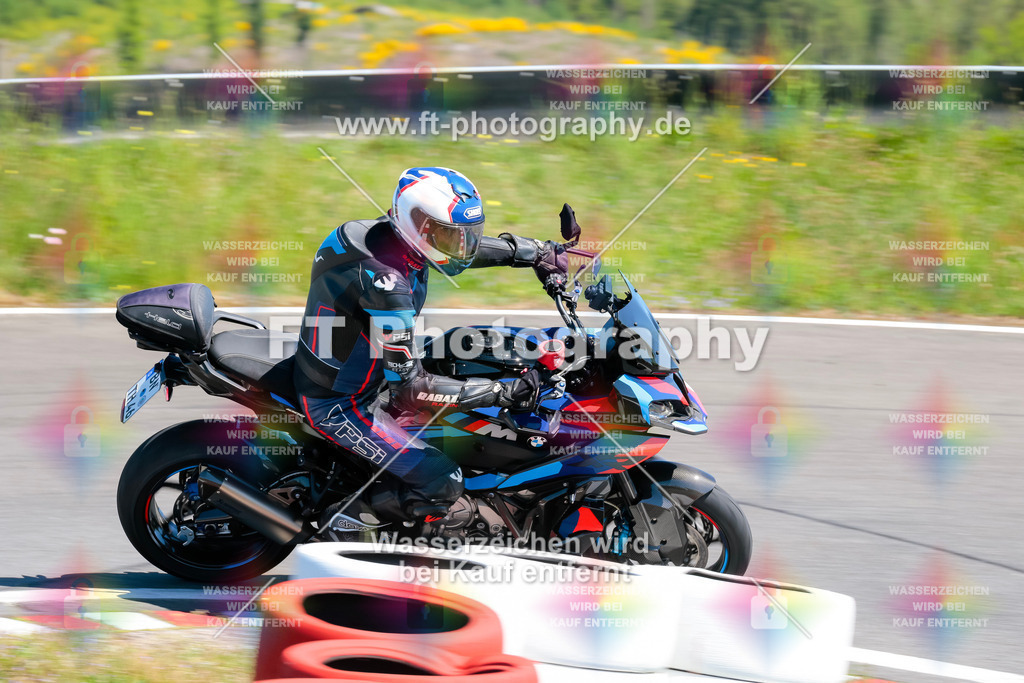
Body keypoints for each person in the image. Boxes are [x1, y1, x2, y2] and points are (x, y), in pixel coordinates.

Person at [294, 166, 567, 533]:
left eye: (465, 235)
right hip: (339, 403)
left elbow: (461, 253)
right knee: (443, 478)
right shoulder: (388, 285)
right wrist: (503, 392)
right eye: (451, 235)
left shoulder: (392, 239)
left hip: (364, 368)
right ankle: (350, 530)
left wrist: (535, 253)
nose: (462, 246)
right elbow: (412, 389)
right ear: (419, 225)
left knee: (459, 354)